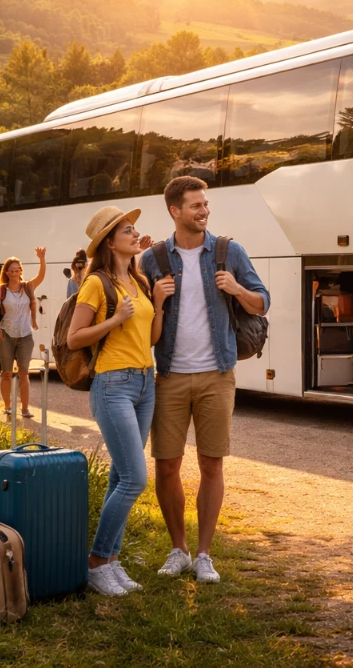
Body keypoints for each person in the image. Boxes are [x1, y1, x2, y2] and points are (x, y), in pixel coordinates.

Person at [139, 176, 270, 584]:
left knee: (212, 464)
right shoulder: (153, 260)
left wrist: (236, 289)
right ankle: (177, 548)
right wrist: (157, 299)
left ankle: (204, 555)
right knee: (166, 467)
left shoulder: (230, 252)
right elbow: (145, 324)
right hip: (170, 377)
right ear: (175, 211)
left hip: (217, 375)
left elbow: (263, 301)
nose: (204, 210)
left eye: (205, 204)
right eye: (195, 206)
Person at [67, 206, 173, 596]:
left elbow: (151, 338)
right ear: (110, 241)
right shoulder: (96, 283)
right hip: (113, 384)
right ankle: (96, 562)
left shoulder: (139, 280)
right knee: (134, 479)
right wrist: (114, 320)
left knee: (119, 476)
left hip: (146, 383)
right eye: (127, 230)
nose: (135, 233)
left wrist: (157, 302)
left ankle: (112, 561)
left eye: (134, 229)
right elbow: (74, 338)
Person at [0, 247, 47, 418]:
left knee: (24, 372)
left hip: (25, 335)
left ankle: (25, 409)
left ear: (21, 270)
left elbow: (41, 276)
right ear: (6, 272)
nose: (14, 272)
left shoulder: (28, 287)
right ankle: (8, 406)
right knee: (6, 373)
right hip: (5, 335)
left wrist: (41, 258)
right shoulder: (0, 290)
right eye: (11, 269)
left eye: (17, 269)